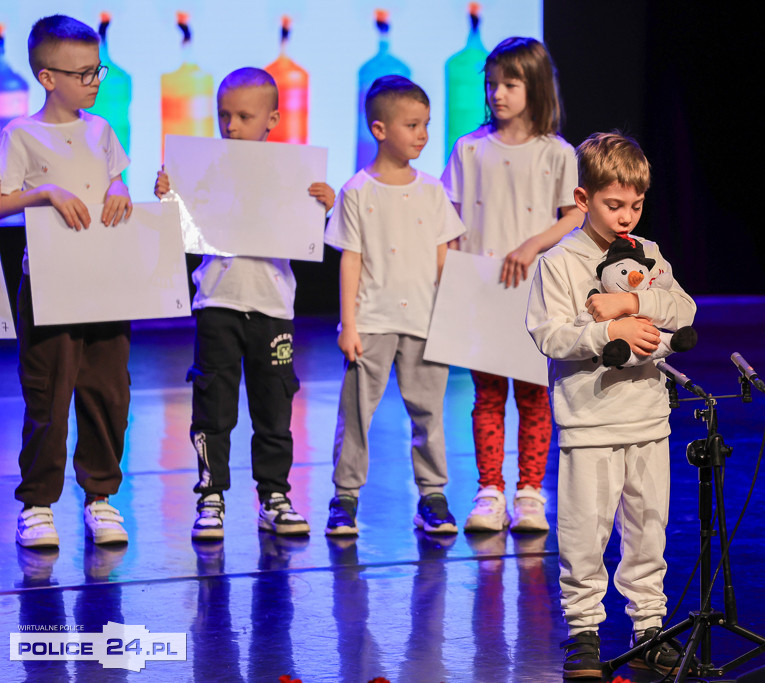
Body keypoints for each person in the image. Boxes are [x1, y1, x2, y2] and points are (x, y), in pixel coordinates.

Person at [526, 132, 697, 678]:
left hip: (648, 416)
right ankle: (584, 633)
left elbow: (684, 309)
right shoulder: (560, 261)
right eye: (613, 204)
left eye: (636, 205)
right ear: (583, 200)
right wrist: (609, 330)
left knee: (649, 526)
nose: (627, 216)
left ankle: (650, 626)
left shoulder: (647, 256)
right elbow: (550, 335)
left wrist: (634, 301)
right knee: (585, 530)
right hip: (590, 421)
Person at [154, 67, 335, 540]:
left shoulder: (291, 173)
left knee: (274, 406)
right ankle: (210, 495)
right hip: (218, 300)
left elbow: (317, 235)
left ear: (272, 119)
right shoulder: (207, 167)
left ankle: (274, 495)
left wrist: (324, 205)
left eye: (243, 116)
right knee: (212, 403)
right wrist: (169, 197)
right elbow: (181, 225)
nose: (230, 125)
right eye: (223, 116)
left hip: (272, 306)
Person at [0, 15, 133, 548]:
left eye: (96, 69)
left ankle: (100, 496)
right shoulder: (20, 134)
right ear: (47, 76)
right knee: (49, 394)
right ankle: (37, 503)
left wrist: (121, 185)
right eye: (82, 73)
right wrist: (46, 192)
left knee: (108, 391)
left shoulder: (101, 129)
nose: (94, 81)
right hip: (51, 285)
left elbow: (114, 174)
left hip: (106, 280)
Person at [441, 36, 582, 534]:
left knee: (533, 394)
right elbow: (449, 216)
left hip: (534, 288)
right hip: (482, 288)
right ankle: (489, 491)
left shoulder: (557, 153)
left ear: (536, 87)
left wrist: (531, 245)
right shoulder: (470, 148)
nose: (498, 93)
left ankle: (529, 491)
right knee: (486, 395)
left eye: (511, 84)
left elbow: (574, 215)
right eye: (492, 84)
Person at [325, 75, 465, 537]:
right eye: (412, 125)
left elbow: (445, 254)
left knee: (428, 412)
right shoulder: (357, 190)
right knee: (357, 413)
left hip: (425, 321)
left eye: (426, 124)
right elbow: (351, 258)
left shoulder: (432, 190)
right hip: (373, 320)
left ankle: (432, 496)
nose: (422, 134)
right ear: (380, 129)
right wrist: (349, 323)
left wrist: (452, 315)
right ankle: (344, 497)